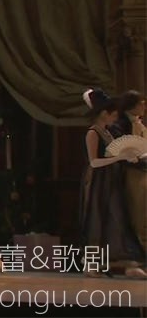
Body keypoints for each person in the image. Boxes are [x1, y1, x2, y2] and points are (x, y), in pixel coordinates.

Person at [79, 88, 146, 279]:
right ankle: (91, 263)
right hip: (98, 180)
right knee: (97, 220)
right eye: (113, 113)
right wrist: (119, 158)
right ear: (104, 113)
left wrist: (128, 156)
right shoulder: (93, 132)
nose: (116, 116)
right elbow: (94, 162)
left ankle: (126, 263)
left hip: (110, 178)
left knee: (117, 219)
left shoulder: (107, 132)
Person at [112, 90, 146, 252]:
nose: (144, 107)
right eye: (141, 103)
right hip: (132, 174)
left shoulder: (139, 123)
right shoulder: (120, 125)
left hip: (143, 172)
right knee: (138, 214)